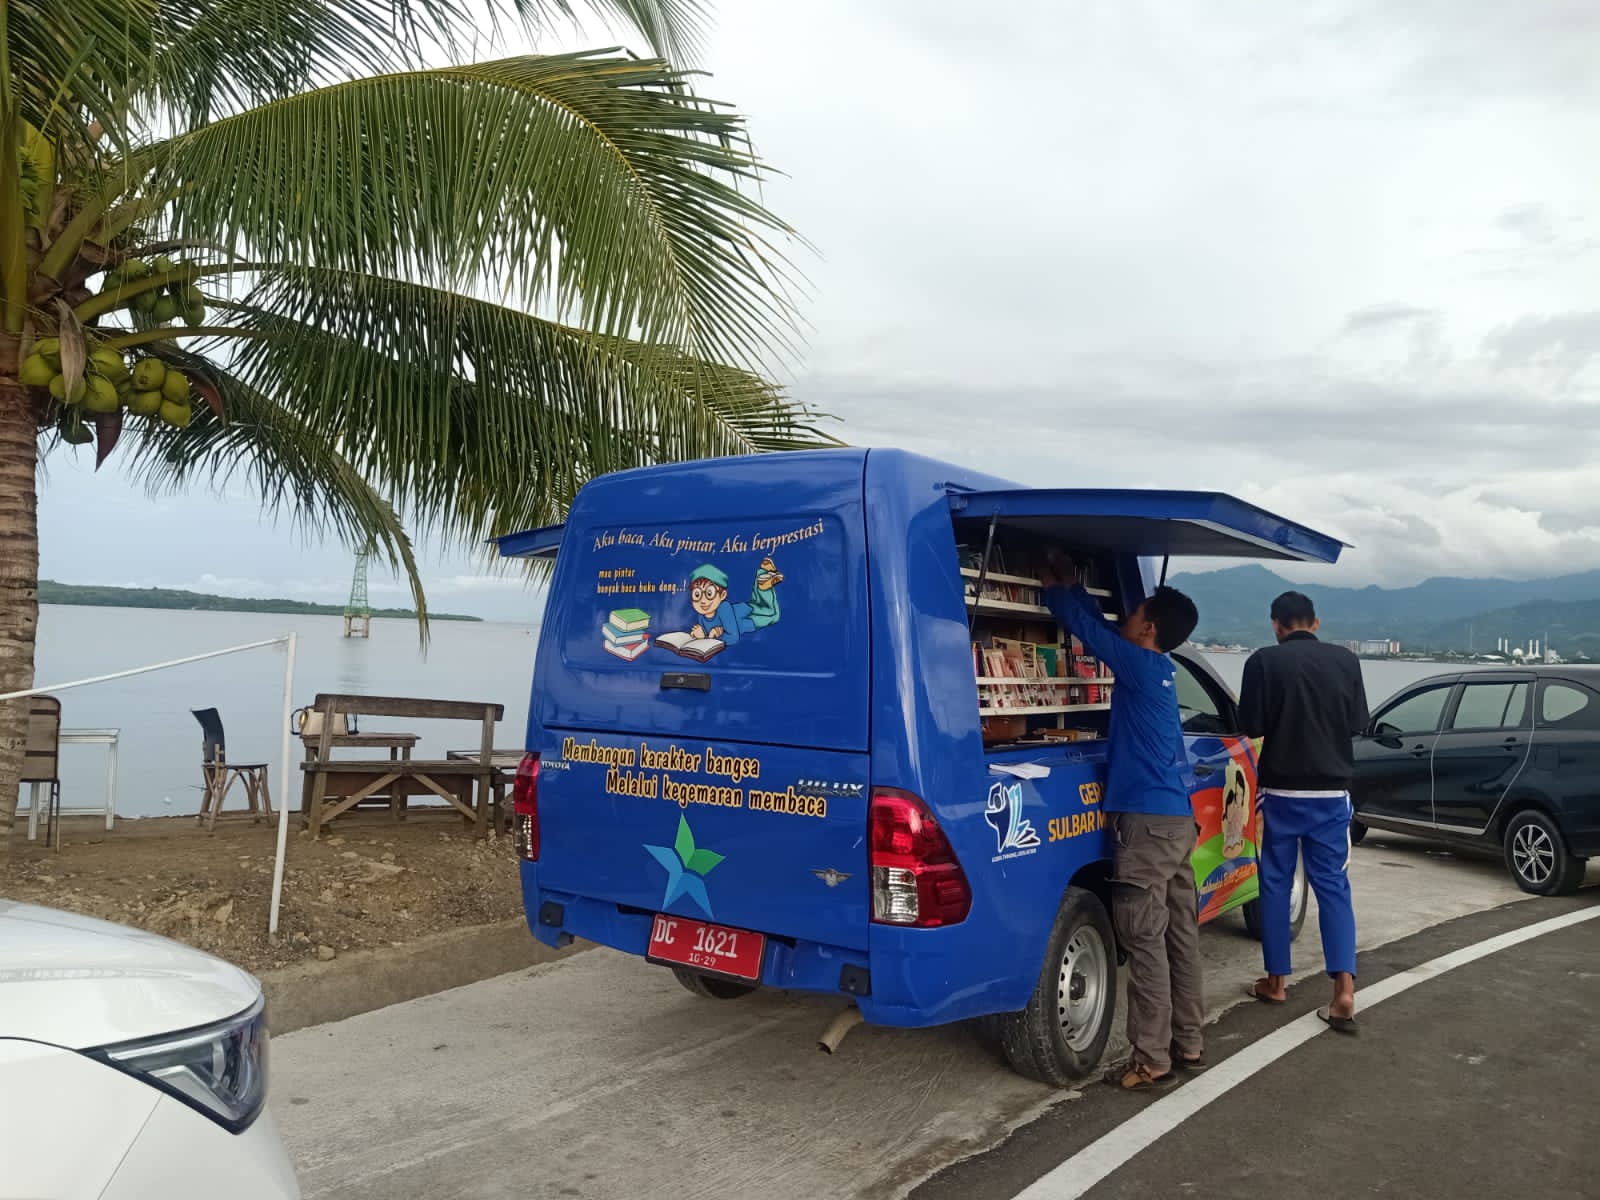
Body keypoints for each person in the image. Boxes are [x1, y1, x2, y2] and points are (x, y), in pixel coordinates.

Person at [1039, 558, 1203, 1090]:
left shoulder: (1137, 663)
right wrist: (1078, 588)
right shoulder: (1158, 669)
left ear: (1149, 628)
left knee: (1144, 938)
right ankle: (1189, 1039)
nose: (1127, 619)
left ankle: (1152, 1057)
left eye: (1134, 613)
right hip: (1176, 822)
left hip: (1149, 827)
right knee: (1180, 934)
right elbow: (1105, 630)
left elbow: (1092, 635)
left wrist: (1060, 594)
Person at [1237, 590, 1369, 1034]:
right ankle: (1344, 991)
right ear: (1316, 623)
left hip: (1279, 791)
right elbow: (1357, 725)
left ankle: (1276, 982)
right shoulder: (1346, 662)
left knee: (1274, 882)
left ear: (1277, 625)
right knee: (1333, 886)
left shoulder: (1262, 662)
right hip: (1331, 794)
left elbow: (1250, 727)